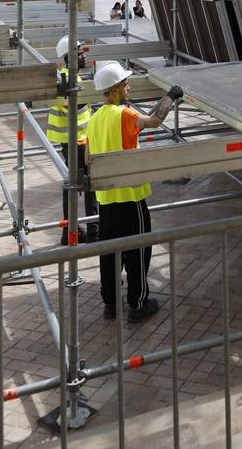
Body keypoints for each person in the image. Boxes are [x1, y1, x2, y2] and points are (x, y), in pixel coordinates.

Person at [86, 62, 184, 322]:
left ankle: (110, 304)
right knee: (138, 249)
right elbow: (154, 121)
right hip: (131, 198)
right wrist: (171, 97)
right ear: (116, 89)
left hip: (106, 200)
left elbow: (88, 157)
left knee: (109, 253)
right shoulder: (125, 114)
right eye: (126, 84)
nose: (129, 87)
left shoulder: (94, 120)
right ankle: (138, 304)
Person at [47, 36, 97, 244]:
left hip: (75, 140)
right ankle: (92, 230)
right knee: (88, 186)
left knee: (73, 185)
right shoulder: (68, 80)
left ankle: (70, 231)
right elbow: (73, 106)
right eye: (80, 53)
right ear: (71, 57)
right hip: (76, 141)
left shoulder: (69, 77)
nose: (84, 56)